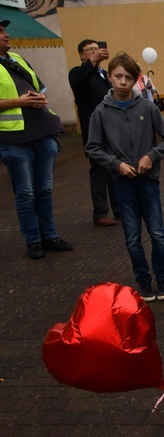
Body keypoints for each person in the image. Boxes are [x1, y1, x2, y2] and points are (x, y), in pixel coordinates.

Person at [85, 52, 164, 301]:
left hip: (148, 182)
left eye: (128, 77)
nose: (123, 82)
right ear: (110, 77)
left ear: (136, 79)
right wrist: (116, 165)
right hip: (122, 184)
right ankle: (144, 281)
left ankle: (163, 278)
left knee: (157, 233)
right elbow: (92, 147)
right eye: (117, 76)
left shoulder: (147, 108)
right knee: (132, 236)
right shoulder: (101, 113)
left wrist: (152, 156)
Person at [0, 18, 71, 260]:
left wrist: (40, 99)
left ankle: (49, 236)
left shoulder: (17, 59)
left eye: (4, 29)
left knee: (45, 189)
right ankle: (33, 241)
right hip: (13, 140)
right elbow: (19, 99)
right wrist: (18, 102)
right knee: (26, 192)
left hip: (42, 133)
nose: (6, 34)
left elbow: (40, 89)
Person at [68, 39, 119, 227]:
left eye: (97, 49)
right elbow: (79, 81)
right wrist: (92, 62)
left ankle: (119, 208)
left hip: (112, 129)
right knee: (99, 171)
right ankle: (100, 213)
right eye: (90, 50)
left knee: (115, 167)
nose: (95, 52)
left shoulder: (105, 75)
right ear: (82, 55)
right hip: (94, 131)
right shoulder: (78, 73)